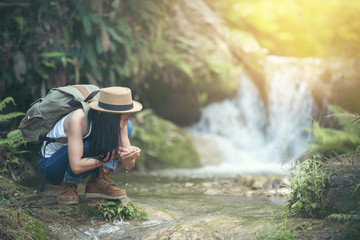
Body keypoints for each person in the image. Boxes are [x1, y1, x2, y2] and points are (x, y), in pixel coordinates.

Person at [38, 86, 143, 205]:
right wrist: (112, 154)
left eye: (126, 118)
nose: (120, 125)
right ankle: (67, 185)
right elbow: (76, 167)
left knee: (127, 127)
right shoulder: (78, 119)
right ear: (102, 113)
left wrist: (129, 156)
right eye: (117, 120)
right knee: (89, 145)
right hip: (51, 167)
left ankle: (99, 180)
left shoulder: (123, 122)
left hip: (84, 158)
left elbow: (128, 167)